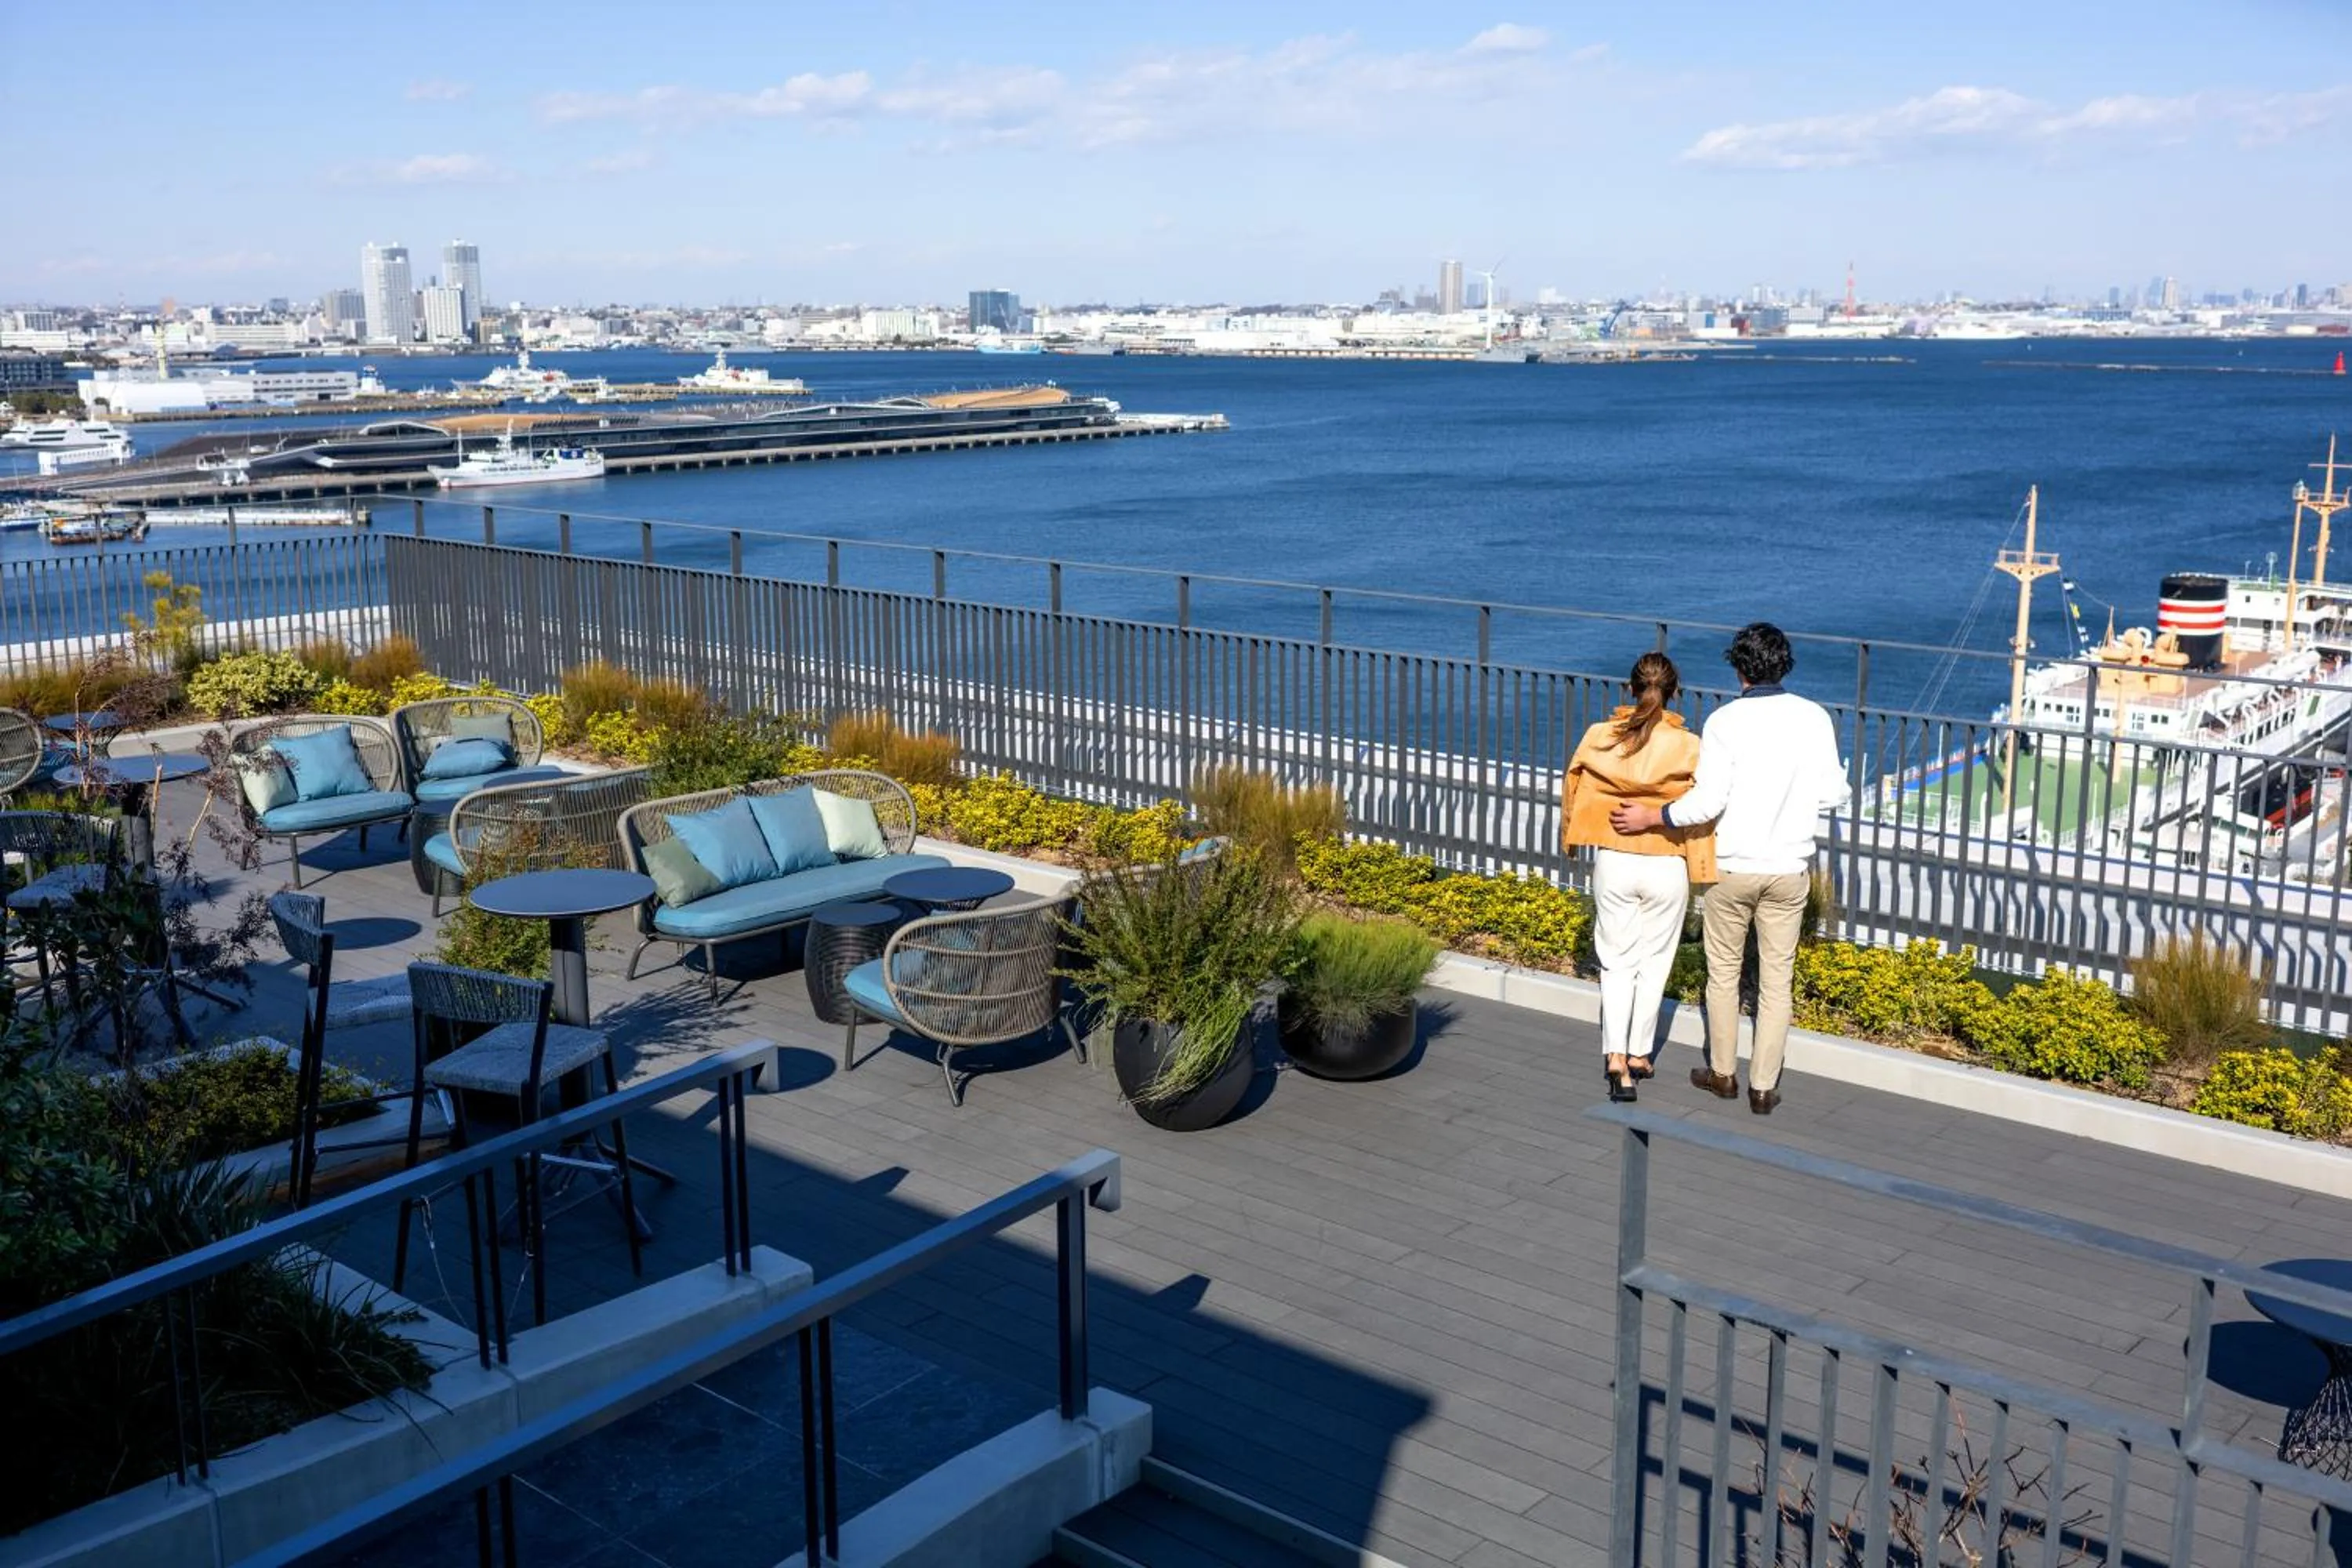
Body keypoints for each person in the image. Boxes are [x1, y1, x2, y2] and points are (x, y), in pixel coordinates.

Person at [1611, 623, 1846, 1115]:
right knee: (1776, 980)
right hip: (1789, 869)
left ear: (1739, 669)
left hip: (1733, 867)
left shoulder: (1725, 722)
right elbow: (1833, 793)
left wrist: (1656, 816)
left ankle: (1723, 1075)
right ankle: (1763, 1087)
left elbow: (1709, 800)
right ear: (1785, 665)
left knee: (1723, 975)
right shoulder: (1815, 718)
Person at [1560, 652, 1715, 1103]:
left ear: (1629, 688)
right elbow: (1704, 804)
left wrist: (1572, 836)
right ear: (1674, 692)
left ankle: (1614, 1057)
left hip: (1615, 859)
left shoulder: (1599, 736)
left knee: (1616, 960)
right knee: (1655, 960)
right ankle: (1640, 1054)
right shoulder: (1690, 745)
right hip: (1666, 861)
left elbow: (1573, 785)